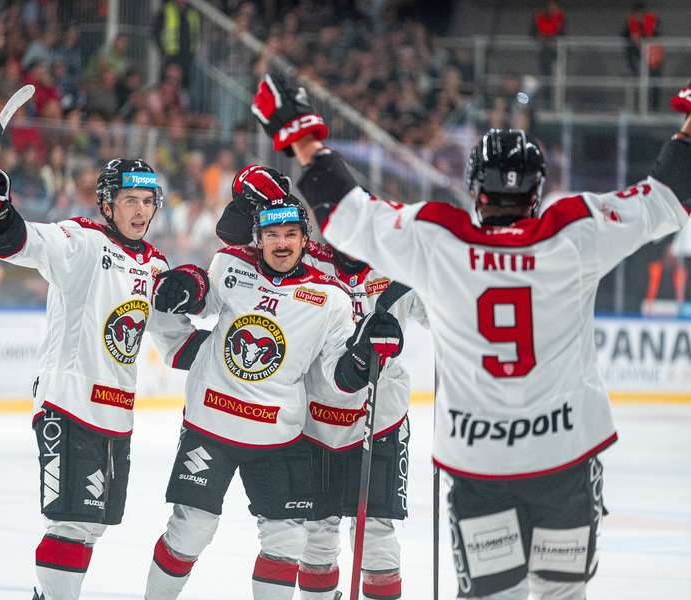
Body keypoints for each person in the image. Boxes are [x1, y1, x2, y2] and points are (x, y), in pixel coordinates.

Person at [250, 72, 690, 599]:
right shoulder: (578, 231)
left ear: (476, 189)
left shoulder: (438, 240)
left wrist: (300, 134)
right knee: (562, 595)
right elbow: (667, 199)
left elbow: (346, 216)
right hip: (565, 459)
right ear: (538, 189)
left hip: (480, 466)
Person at [143, 166, 404, 600]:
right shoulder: (230, 264)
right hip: (212, 427)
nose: (281, 243)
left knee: (286, 544)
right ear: (258, 238)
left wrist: (363, 359)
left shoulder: (330, 299)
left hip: (280, 438)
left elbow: (339, 379)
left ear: (305, 240)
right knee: (191, 529)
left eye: (289, 234)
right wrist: (185, 282)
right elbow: (202, 292)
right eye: (271, 234)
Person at [0, 158, 184, 600]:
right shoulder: (82, 240)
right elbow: (22, 242)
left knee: (92, 526)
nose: (140, 212)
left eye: (147, 201)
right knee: (70, 524)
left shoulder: (155, 265)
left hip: (116, 415)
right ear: (107, 204)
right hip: (68, 404)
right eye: (129, 201)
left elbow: (176, 341)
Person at [216, 164, 429, 599]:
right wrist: (247, 195)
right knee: (317, 532)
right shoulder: (305, 254)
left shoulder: (403, 271)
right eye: (337, 223)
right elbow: (235, 238)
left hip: (379, 418)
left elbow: (453, 313)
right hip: (313, 419)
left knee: (376, 536)